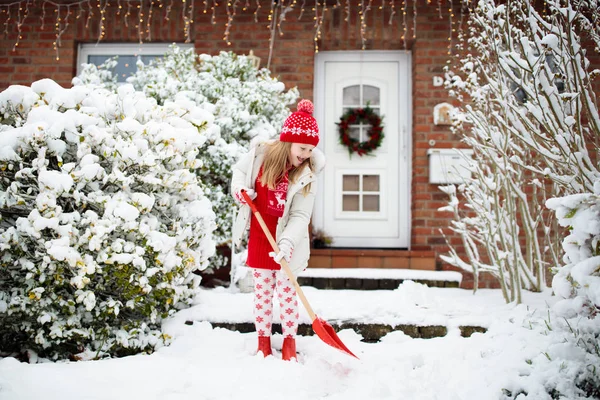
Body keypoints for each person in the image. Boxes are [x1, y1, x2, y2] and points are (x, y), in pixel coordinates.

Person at [230, 99, 325, 361]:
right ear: (288, 141)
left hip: (287, 243)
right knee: (262, 295)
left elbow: (300, 215)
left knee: (286, 294)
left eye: (310, 149)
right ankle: (263, 342)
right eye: (302, 148)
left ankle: (289, 344)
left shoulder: (308, 174)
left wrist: (286, 243)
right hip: (261, 237)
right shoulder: (261, 156)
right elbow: (239, 173)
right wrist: (241, 192)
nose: (305, 154)